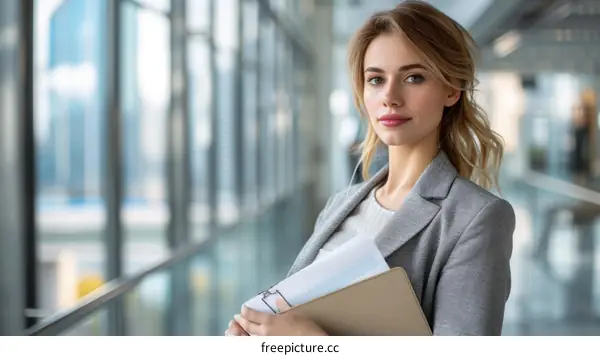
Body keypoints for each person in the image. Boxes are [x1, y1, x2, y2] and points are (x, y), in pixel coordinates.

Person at [225, 0, 515, 336]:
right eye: (376, 80)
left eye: (414, 77)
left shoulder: (476, 218)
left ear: (451, 88)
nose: (390, 96)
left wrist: (311, 342)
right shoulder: (341, 205)